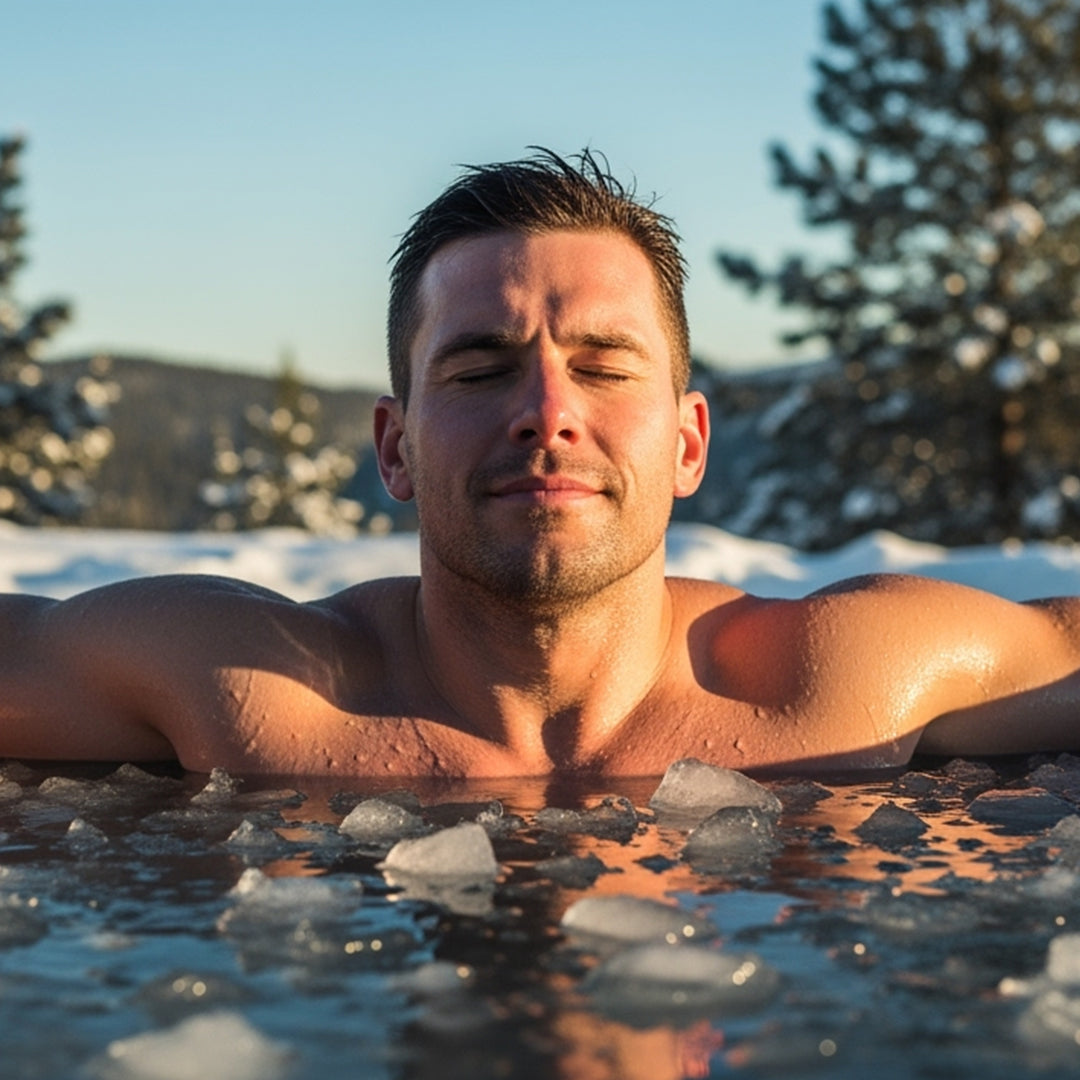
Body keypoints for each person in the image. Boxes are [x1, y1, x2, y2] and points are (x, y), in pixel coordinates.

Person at [4, 149, 1080, 778]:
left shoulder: (843, 684)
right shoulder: (260, 696)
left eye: (605, 367)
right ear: (396, 448)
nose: (548, 411)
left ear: (690, 442)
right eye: (481, 369)